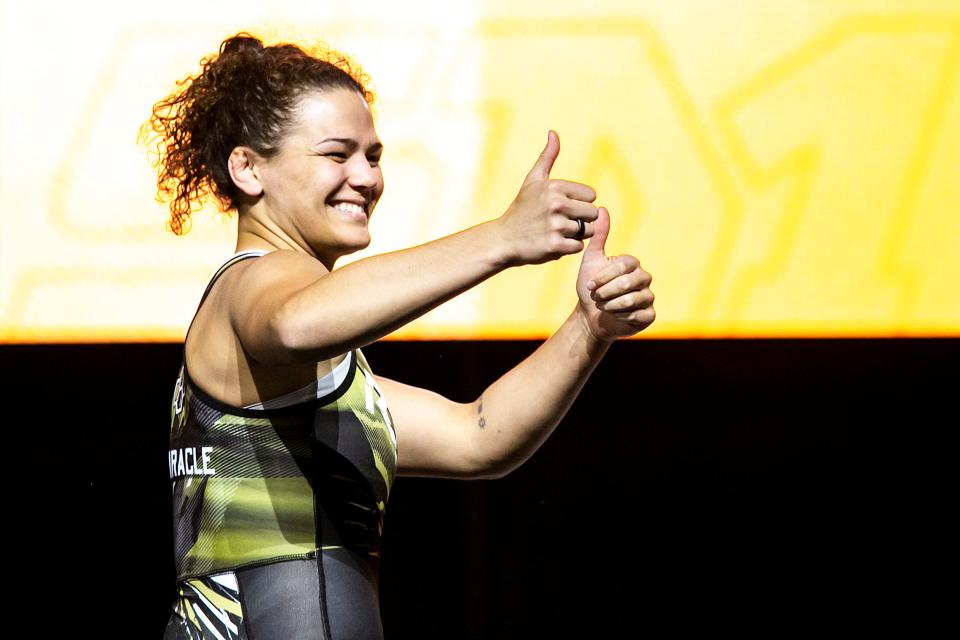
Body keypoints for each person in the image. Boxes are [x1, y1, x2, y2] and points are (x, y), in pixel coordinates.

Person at [142, 31, 654, 640]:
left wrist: (588, 327)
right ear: (249, 169)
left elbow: (478, 437)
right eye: (337, 155)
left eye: (374, 156)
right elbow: (296, 321)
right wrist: (503, 238)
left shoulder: (306, 381)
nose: (366, 177)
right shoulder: (252, 284)